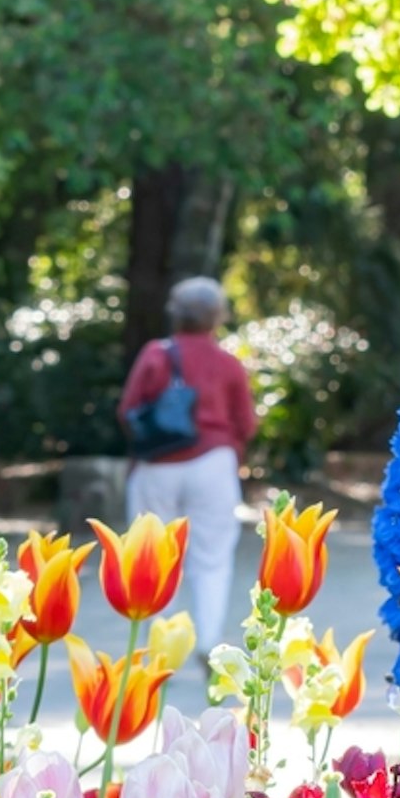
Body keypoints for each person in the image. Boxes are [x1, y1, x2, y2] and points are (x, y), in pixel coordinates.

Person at [119, 275, 259, 654]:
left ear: (175, 315)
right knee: (211, 557)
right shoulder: (228, 363)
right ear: (217, 317)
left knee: (152, 558)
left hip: (157, 467)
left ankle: (158, 645)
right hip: (213, 464)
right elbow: (246, 424)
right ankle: (207, 642)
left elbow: (128, 411)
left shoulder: (155, 354)